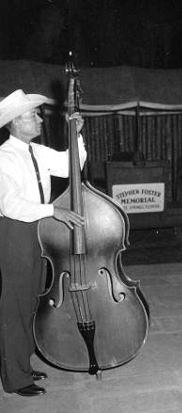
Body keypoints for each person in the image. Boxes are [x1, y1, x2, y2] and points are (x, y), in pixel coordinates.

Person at [0, 89, 86, 397]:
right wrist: (54, 210)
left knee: (32, 302)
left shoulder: (35, 152)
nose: (38, 119)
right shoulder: (4, 158)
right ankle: (15, 378)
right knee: (16, 307)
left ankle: (23, 364)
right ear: (14, 123)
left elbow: (69, 166)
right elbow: (11, 205)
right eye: (32, 116)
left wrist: (75, 135)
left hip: (37, 232)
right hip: (16, 233)